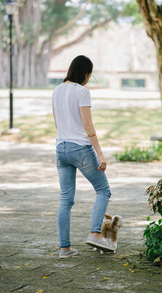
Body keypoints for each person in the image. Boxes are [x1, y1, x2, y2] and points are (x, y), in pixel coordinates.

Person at [52, 55, 115, 259]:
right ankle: (95, 233)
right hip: (80, 149)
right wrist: (99, 152)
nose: (89, 78)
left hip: (61, 148)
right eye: (89, 74)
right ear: (85, 73)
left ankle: (65, 249)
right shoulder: (81, 91)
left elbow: (57, 123)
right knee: (103, 190)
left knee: (66, 199)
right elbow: (88, 126)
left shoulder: (56, 90)